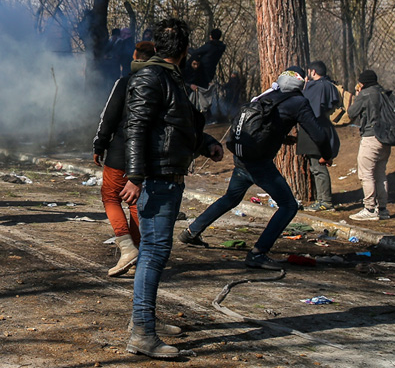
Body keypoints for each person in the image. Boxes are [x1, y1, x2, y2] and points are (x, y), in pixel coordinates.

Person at [120, 18, 223, 358]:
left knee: (153, 252)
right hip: (157, 177)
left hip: (167, 174)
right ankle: (142, 333)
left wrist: (205, 141)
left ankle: (144, 321)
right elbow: (134, 127)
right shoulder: (152, 77)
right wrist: (135, 176)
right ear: (185, 49)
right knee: (153, 252)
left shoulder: (168, 77)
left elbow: (175, 124)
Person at [178, 67, 333, 270]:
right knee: (288, 206)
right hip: (259, 164)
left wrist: (283, 138)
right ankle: (258, 253)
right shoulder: (298, 102)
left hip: (242, 158)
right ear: (300, 84)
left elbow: (263, 126)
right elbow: (319, 135)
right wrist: (327, 155)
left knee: (231, 198)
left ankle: (191, 232)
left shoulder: (268, 96)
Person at [93, 41, 156, 277]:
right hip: (148, 154)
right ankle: (137, 254)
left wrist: (99, 143)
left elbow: (108, 116)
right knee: (135, 203)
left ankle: (128, 247)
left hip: (121, 151)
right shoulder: (161, 83)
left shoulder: (125, 82)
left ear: (134, 56)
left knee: (111, 197)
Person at [347, 70, 392, 221]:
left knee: (366, 174)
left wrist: (358, 95)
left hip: (371, 137)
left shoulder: (365, 94)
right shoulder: (384, 93)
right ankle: (383, 209)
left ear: (363, 83)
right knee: (380, 173)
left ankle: (369, 209)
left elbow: (351, 112)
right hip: (386, 138)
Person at [297, 61, 341, 212]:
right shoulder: (329, 85)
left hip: (315, 130)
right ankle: (322, 199)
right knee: (317, 166)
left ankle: (326, 201)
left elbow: (307, 106)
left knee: (318, 167)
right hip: (325, 128)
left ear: (313, 72)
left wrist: (305, 87)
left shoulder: (316, 87)